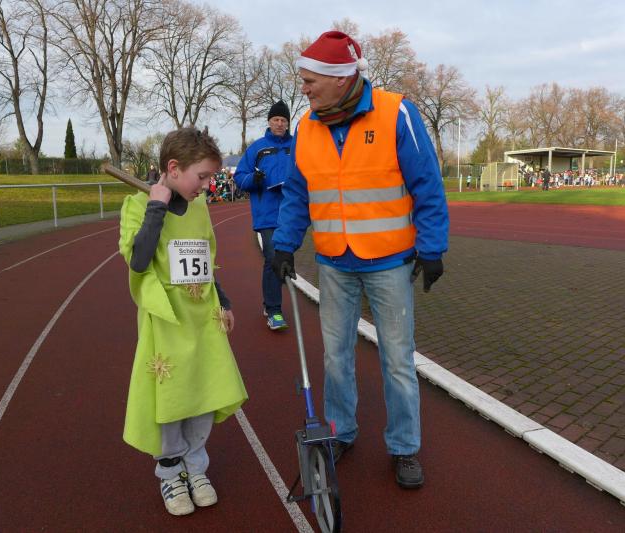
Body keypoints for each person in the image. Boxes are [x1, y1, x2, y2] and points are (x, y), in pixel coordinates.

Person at [271, 30, 448, 489]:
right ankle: (340, 431)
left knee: (398, 361)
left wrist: (432, 248)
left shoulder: (396, 112)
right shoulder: (306, 127)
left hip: (389, 262)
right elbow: (298, 193)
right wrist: (284, 244)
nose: (304, 89)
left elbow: (427, 184)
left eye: (310, 80)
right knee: (335, 357)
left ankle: (404, 447)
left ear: (339, 78)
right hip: (334, 263)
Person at [118, 127, 248, 517]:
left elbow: (206, 263)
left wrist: (223, 301)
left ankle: (196, 466)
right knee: (172, 402)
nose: (207, 186)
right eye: (202, 176)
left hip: (203, 322)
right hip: (167, 325)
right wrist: (155, 208)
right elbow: (138, 261)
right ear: (173, 169)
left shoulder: (199, 208)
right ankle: (171, 472)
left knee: (204, 395)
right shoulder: (137, 206)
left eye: (211, 177)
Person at [233, 100, 293, 330]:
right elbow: (240, 177)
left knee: (283, 258)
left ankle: (271, 301)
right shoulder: (257, 148)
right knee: (272, 257)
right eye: (276, 119)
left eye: (283, 120)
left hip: (291, 213)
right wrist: (253, 180)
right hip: (266, 214)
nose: (279, 124)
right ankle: (274, 310)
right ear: (269, 121)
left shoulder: (296, 146)